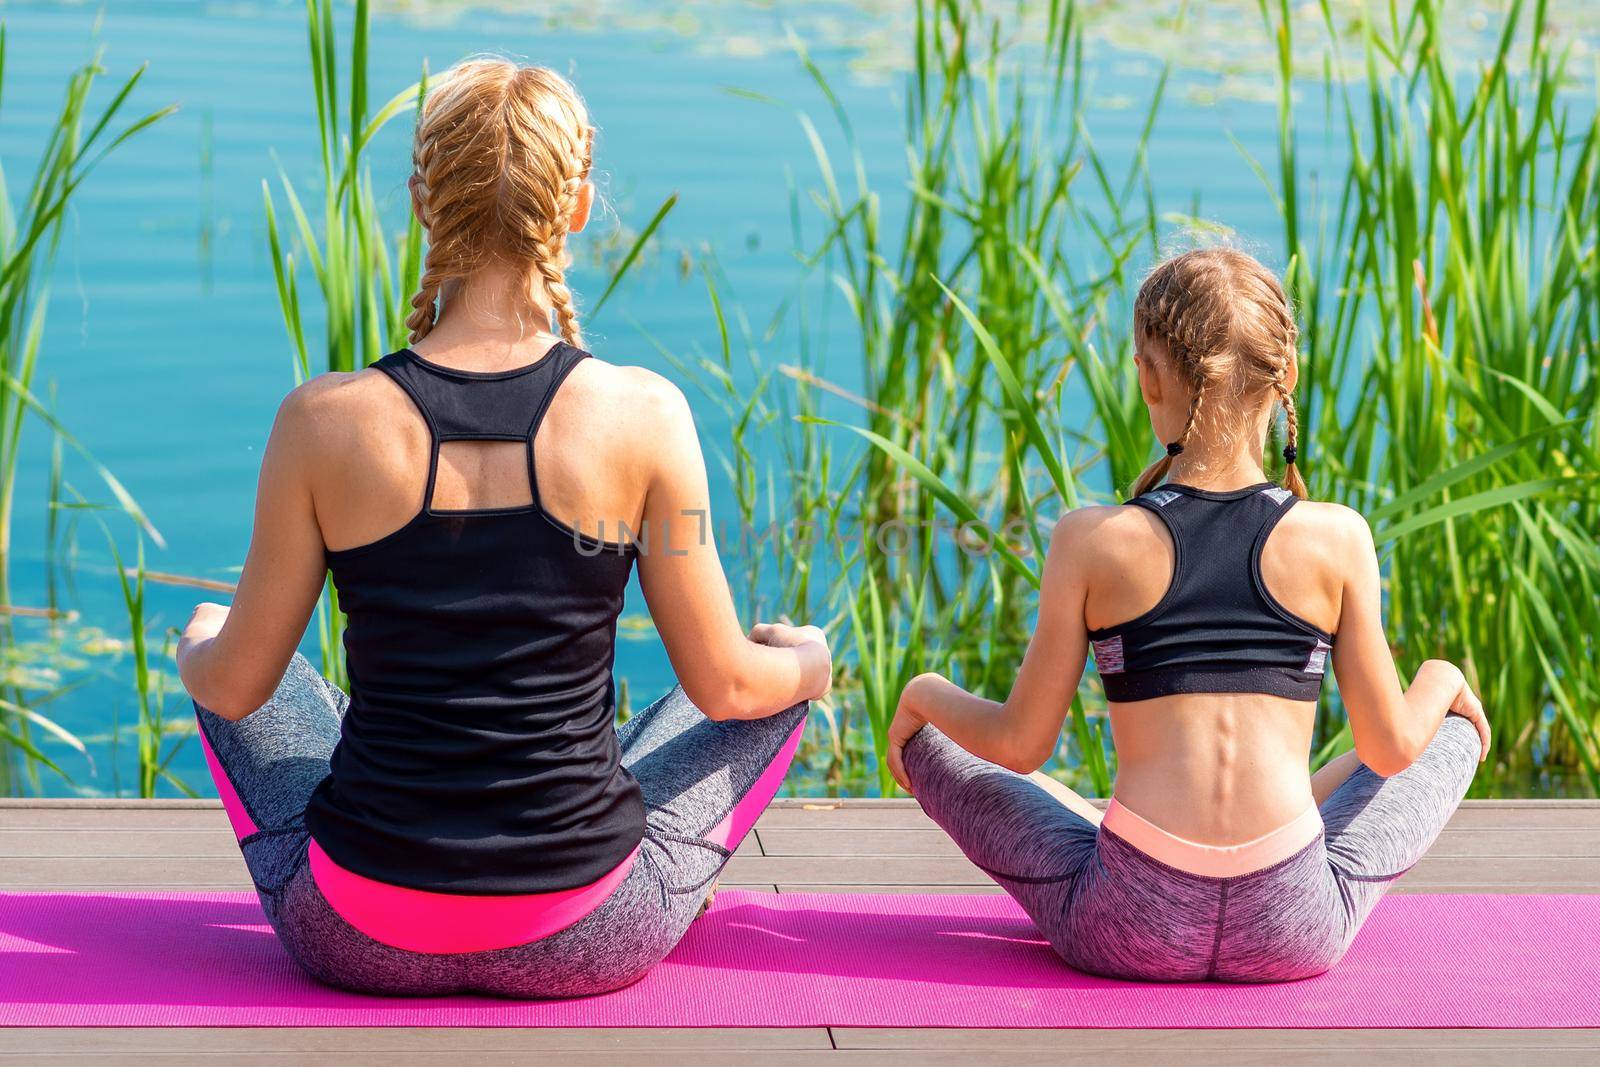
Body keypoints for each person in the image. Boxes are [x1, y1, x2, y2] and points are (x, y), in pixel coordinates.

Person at [176, 59, 831, 999]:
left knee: (230, 645)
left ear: (421, 203)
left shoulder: (321, 421)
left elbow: (238, 687)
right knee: (758, 681)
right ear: (575, 205)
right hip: (589, 930)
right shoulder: (647, 416)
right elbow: (725, 685)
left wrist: (199, 648)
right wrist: (808, 662)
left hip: (355, 933)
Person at [887, 246, 1489, 983]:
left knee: (932, 742)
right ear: (1286, 375)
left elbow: (1018, 744)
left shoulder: (1091, 539)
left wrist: (922, 695)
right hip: (1293, 926)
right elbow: (1392, 748)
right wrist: (1442, 676)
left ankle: (1087, 812)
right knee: (1447, 731)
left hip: (1123, 924)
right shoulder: (1337, 537)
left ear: (1147, 377)